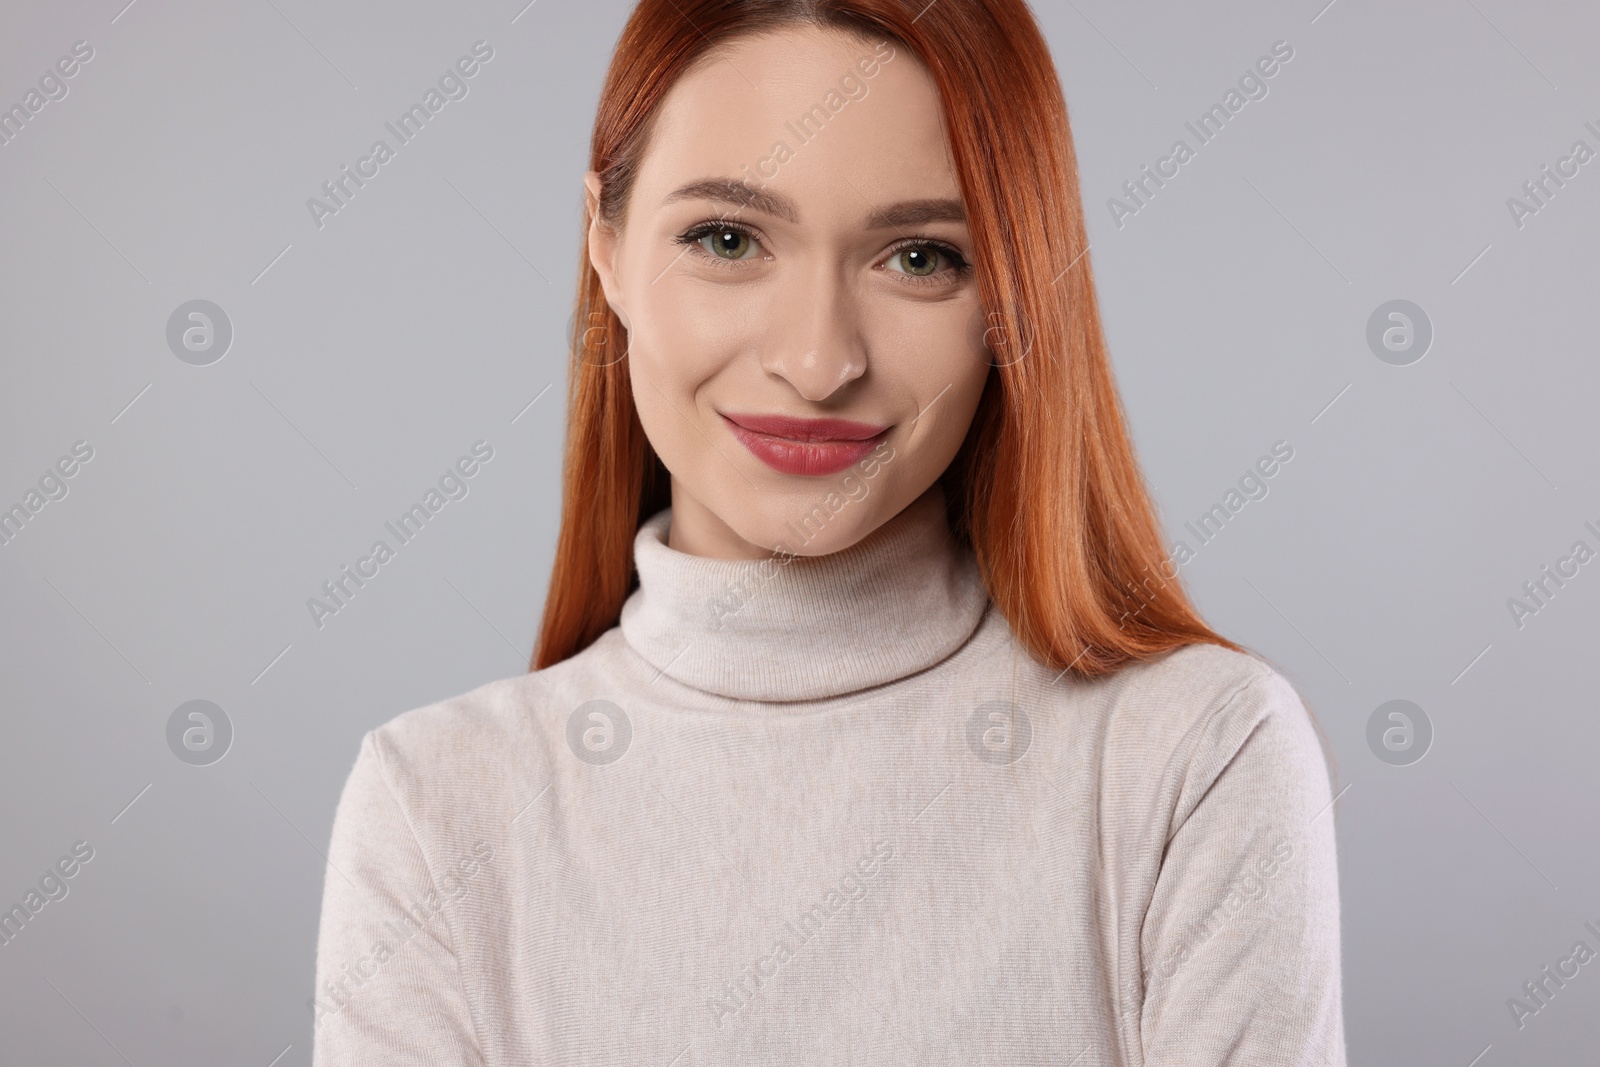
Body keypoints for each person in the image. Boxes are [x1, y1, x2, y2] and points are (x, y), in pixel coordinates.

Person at [312, 1, 1347, 1063]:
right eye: (726, 238)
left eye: (918, 257)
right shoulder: (435, 805)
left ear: (1011, 294)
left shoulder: (1194, 758)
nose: (818, 363)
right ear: (608, 249)